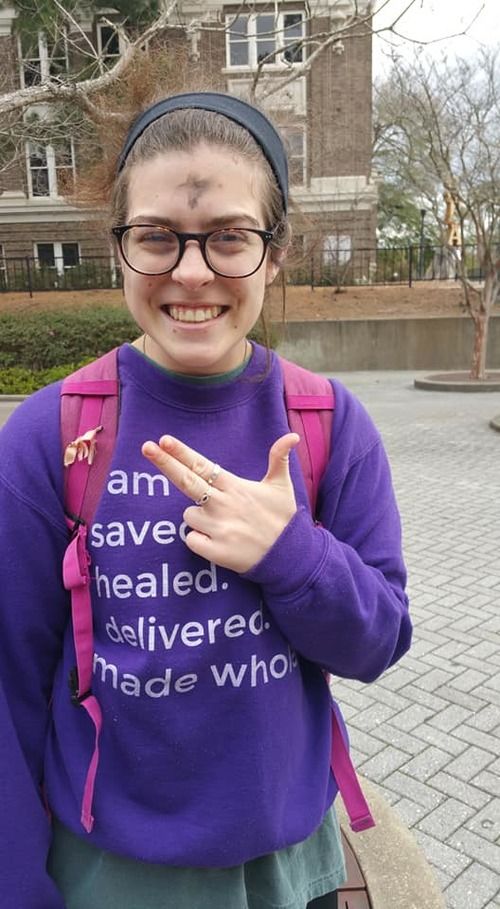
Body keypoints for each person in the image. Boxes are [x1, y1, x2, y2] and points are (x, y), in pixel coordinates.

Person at [0, 91, 412, 909]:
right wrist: (16, 885)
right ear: (119, 250)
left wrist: (292, 555)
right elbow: (9, 686)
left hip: (291, 868)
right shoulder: (49, 435)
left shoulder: (329, 422)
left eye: (229, 236)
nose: (191, 272)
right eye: (157, 236)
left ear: (275, 252)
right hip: (113, 874)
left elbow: (378, 642)